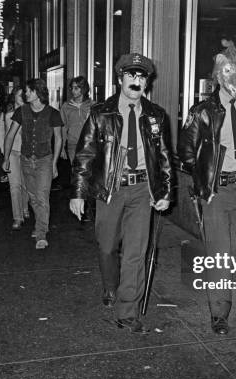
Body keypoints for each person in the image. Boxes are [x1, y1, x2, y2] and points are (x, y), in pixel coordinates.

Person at [69, 53, 173, 333]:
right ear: (120, 79)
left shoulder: (156, 115)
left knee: (136, 253)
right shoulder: (101, 114)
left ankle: (128, 310)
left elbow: (163, 157)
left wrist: (164, 191)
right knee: (107, 246)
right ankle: (109, 284)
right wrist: (78, 193)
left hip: (142, 189)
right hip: (110, 189)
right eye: (131, 76)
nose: (136, 81)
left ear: (147, 82)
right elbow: (85, 154)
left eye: (142, 77)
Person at [178, 40, 236, 335]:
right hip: (217, 189)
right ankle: (219, 312)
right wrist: (206, 179)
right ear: (218, 73)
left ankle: (221, 279)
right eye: (230, 71)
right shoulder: (203, 111)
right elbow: (186, 152)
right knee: (219, 252)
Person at [1, 78, 63, 249]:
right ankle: (41, 223)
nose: (26, 93)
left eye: (28, 91)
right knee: (33, 197)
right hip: (26, 159)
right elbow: (11, 134)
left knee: (42, 196)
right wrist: (6, 158)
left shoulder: (53, 113)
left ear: (37, 93)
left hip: (45, 160)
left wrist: (55, 162)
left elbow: (58, 139)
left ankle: (41, 234)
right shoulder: (21, 111)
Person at [60, 76, 95, 221]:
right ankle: (82, 207)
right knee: (78, 174)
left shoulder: (92, 105)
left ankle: (89, 205)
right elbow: (63, 128)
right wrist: (62, 147)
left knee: (91, 175)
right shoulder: (66, 107)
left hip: (90, 145)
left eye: (76, 88)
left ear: (83, 89)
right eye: (72, 88)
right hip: (73, 145)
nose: (73, 91)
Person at [0, 87, 29, 230]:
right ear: (14, 96)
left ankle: (24, 208)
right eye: (19, 94)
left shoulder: (29, 112)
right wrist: (4, 153)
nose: (22, 96)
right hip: (11, 152)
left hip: (26, 152)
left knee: (25, 184)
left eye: (24, 94)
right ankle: (17, 217)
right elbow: (2, 133)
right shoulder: (7, 113)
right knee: (14, 185)